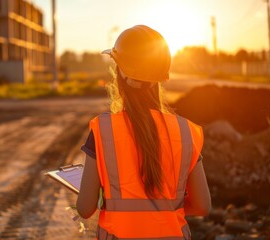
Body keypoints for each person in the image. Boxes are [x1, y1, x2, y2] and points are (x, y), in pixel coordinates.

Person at [76, 25, 211, 240]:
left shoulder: (104, 131)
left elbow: (85, 208)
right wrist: (162, 208)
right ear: (159, 78)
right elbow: (203, 206)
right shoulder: (185, 132)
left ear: (120, 73)